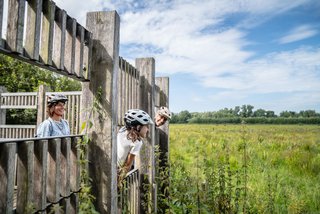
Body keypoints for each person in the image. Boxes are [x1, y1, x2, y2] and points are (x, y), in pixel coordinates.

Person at [117, 109, 153, 181]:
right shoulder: (136, 142)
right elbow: (128, 165)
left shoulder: (121, 131)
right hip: (116, 172)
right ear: (138, 127)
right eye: (146, 126)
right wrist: (119, 182)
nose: (148, 129)